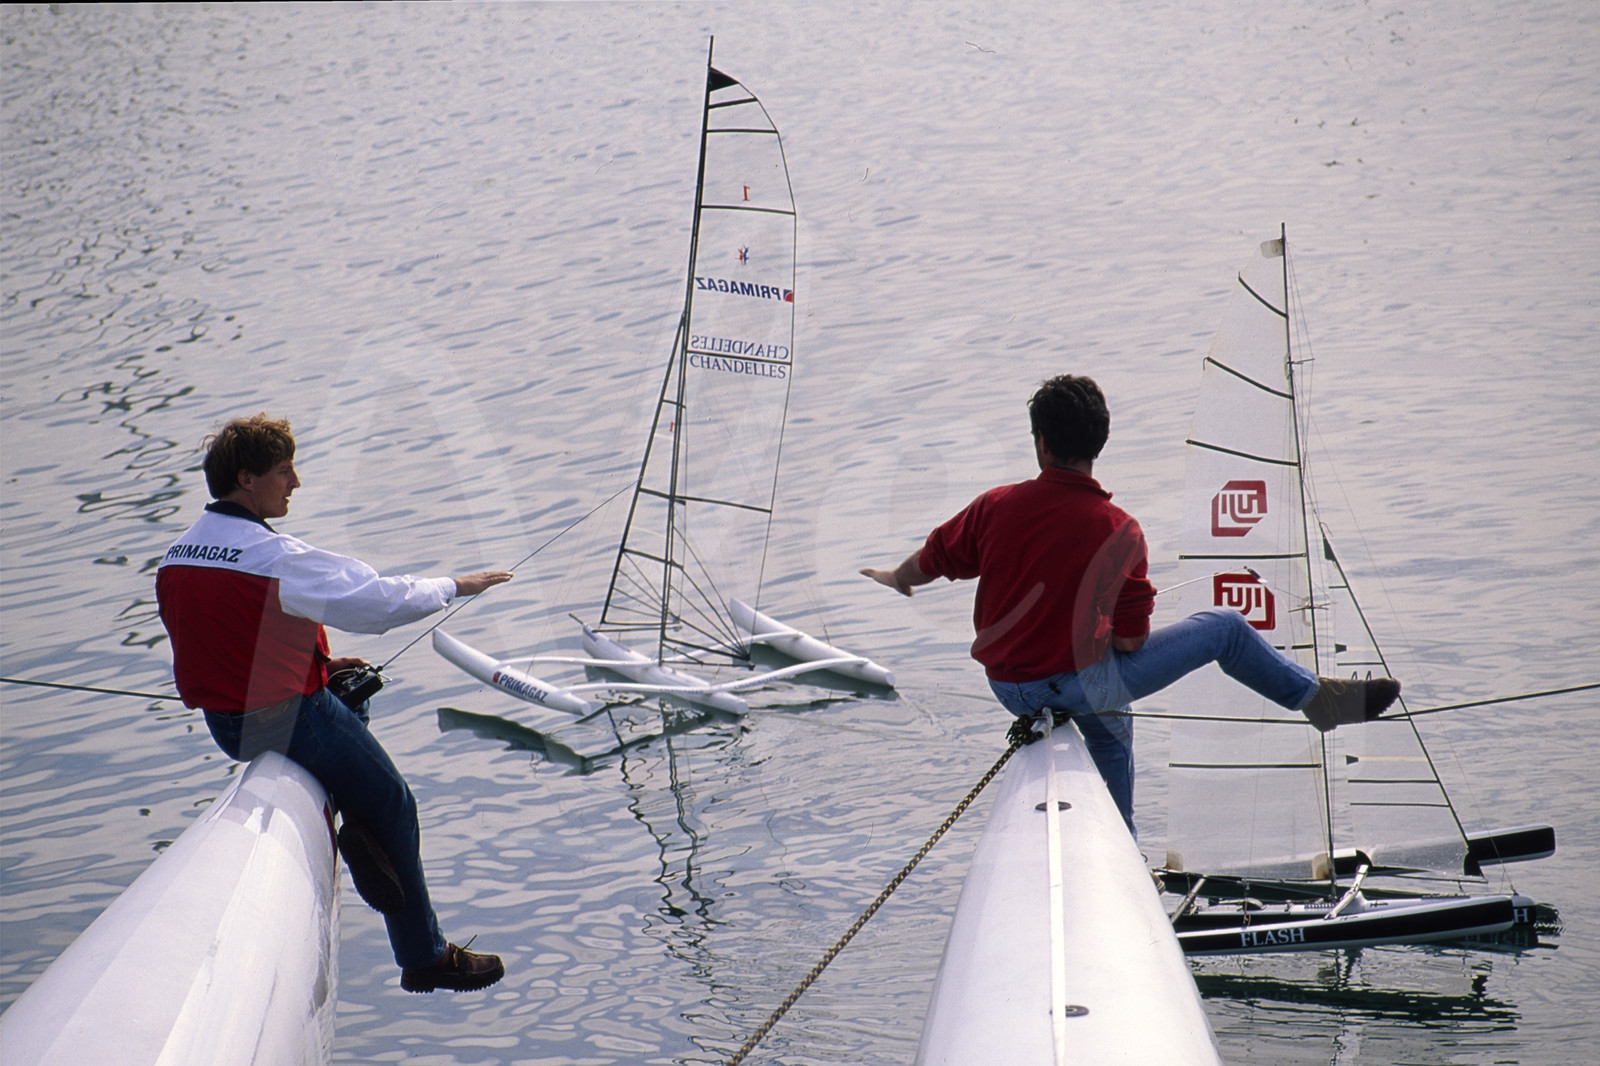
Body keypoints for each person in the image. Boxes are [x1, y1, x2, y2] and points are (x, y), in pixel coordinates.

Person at [861, 374, 1398, 836]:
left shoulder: (994, 506)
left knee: (1110, 716)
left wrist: (896, 578)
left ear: (1042, 444)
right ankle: (1317, 701)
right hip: (1075, 684)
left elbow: (933, 559)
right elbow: (1131, 641)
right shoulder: (1119, 529)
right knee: (1224, 628)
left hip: (1007, 687)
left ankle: (1120, 842)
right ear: (1100, 442)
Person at [156, 413, 513, 993]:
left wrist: (320, 666)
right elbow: (376, 603)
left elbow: (230, 640)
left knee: (345, 690)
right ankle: (424, 955)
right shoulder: (274, 556)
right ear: (247, 480)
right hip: (287, 720)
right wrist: (455, 586)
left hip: (226, 727)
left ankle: (357, 817)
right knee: (394, 801)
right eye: (283, 471)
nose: (294, 482)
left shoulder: (178, 555)